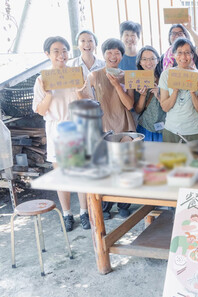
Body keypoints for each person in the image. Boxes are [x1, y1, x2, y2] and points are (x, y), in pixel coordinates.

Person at [32, 36, 90, 231]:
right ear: (47, 54)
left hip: (76, 126)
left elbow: (87, 102)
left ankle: (84, 212)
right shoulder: (42, 79)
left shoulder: (77, 74)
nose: (61, 55)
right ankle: (67, 214)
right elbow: (40, 110)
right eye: (56, 51)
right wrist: (48, 93)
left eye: (64, 50)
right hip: (56, 129)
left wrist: (80, 90)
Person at [80, 38, 136, 219]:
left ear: (122, 55)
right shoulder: (94, 75)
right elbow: (85, 96)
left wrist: (116, 86)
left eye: (117, 53)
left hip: (125, 124)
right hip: (104, 125)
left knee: (124, 167)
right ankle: (105, 207)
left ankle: (123, 204)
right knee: (105, 168)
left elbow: (129, 104)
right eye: (109, 53)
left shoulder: (128, 76)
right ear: (103, 55)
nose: (113, 56)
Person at [159, 38, 198, 142]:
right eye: (179, 53)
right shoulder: (166, 75)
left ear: (192, 55)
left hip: (194, 131)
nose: (183, 57)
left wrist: (193, 92)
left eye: (187, 53)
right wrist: (175, 91)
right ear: (174, 55)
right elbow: (165, 107)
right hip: (171, 130)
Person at [134, 46, 165, 141]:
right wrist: (143, 95)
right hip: (145, 127)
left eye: (152, 59)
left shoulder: (165, 78)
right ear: (140, 62)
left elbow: (171, 106)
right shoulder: (136, 80)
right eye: (144, 59)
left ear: (158, 60)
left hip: (165, 128)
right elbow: (138, 110)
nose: (148, 63)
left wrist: (159, 94)